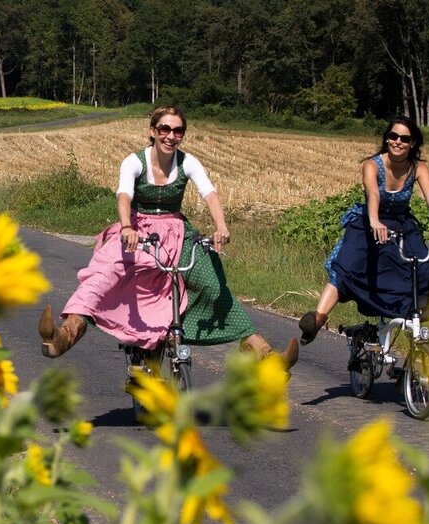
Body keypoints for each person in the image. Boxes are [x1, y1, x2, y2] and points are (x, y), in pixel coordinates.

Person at [38, 105, 299, 369]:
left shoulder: (188, 162)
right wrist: (127, 227)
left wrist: (221, 227)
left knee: (211, 283)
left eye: (178, 130)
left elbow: (209, 193)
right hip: (138, 231)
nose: (171, 136)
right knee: (104, 276)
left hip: (176, 233)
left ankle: (262, 353)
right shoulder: (134, 161)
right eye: (164, 129)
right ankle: (64, 336)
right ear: (153, 131)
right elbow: (124, 195)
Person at [298, 116, 429, 345]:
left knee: (426, 274)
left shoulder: (418, 167)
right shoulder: (372, 165)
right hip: (368, 222)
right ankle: (318, 319)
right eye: (393, 136)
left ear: (412, 143)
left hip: (402, 224)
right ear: (387, 138)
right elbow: (373, 193)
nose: (398, 142)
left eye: (404, 138)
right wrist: (375, 220)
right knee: (346, 266)